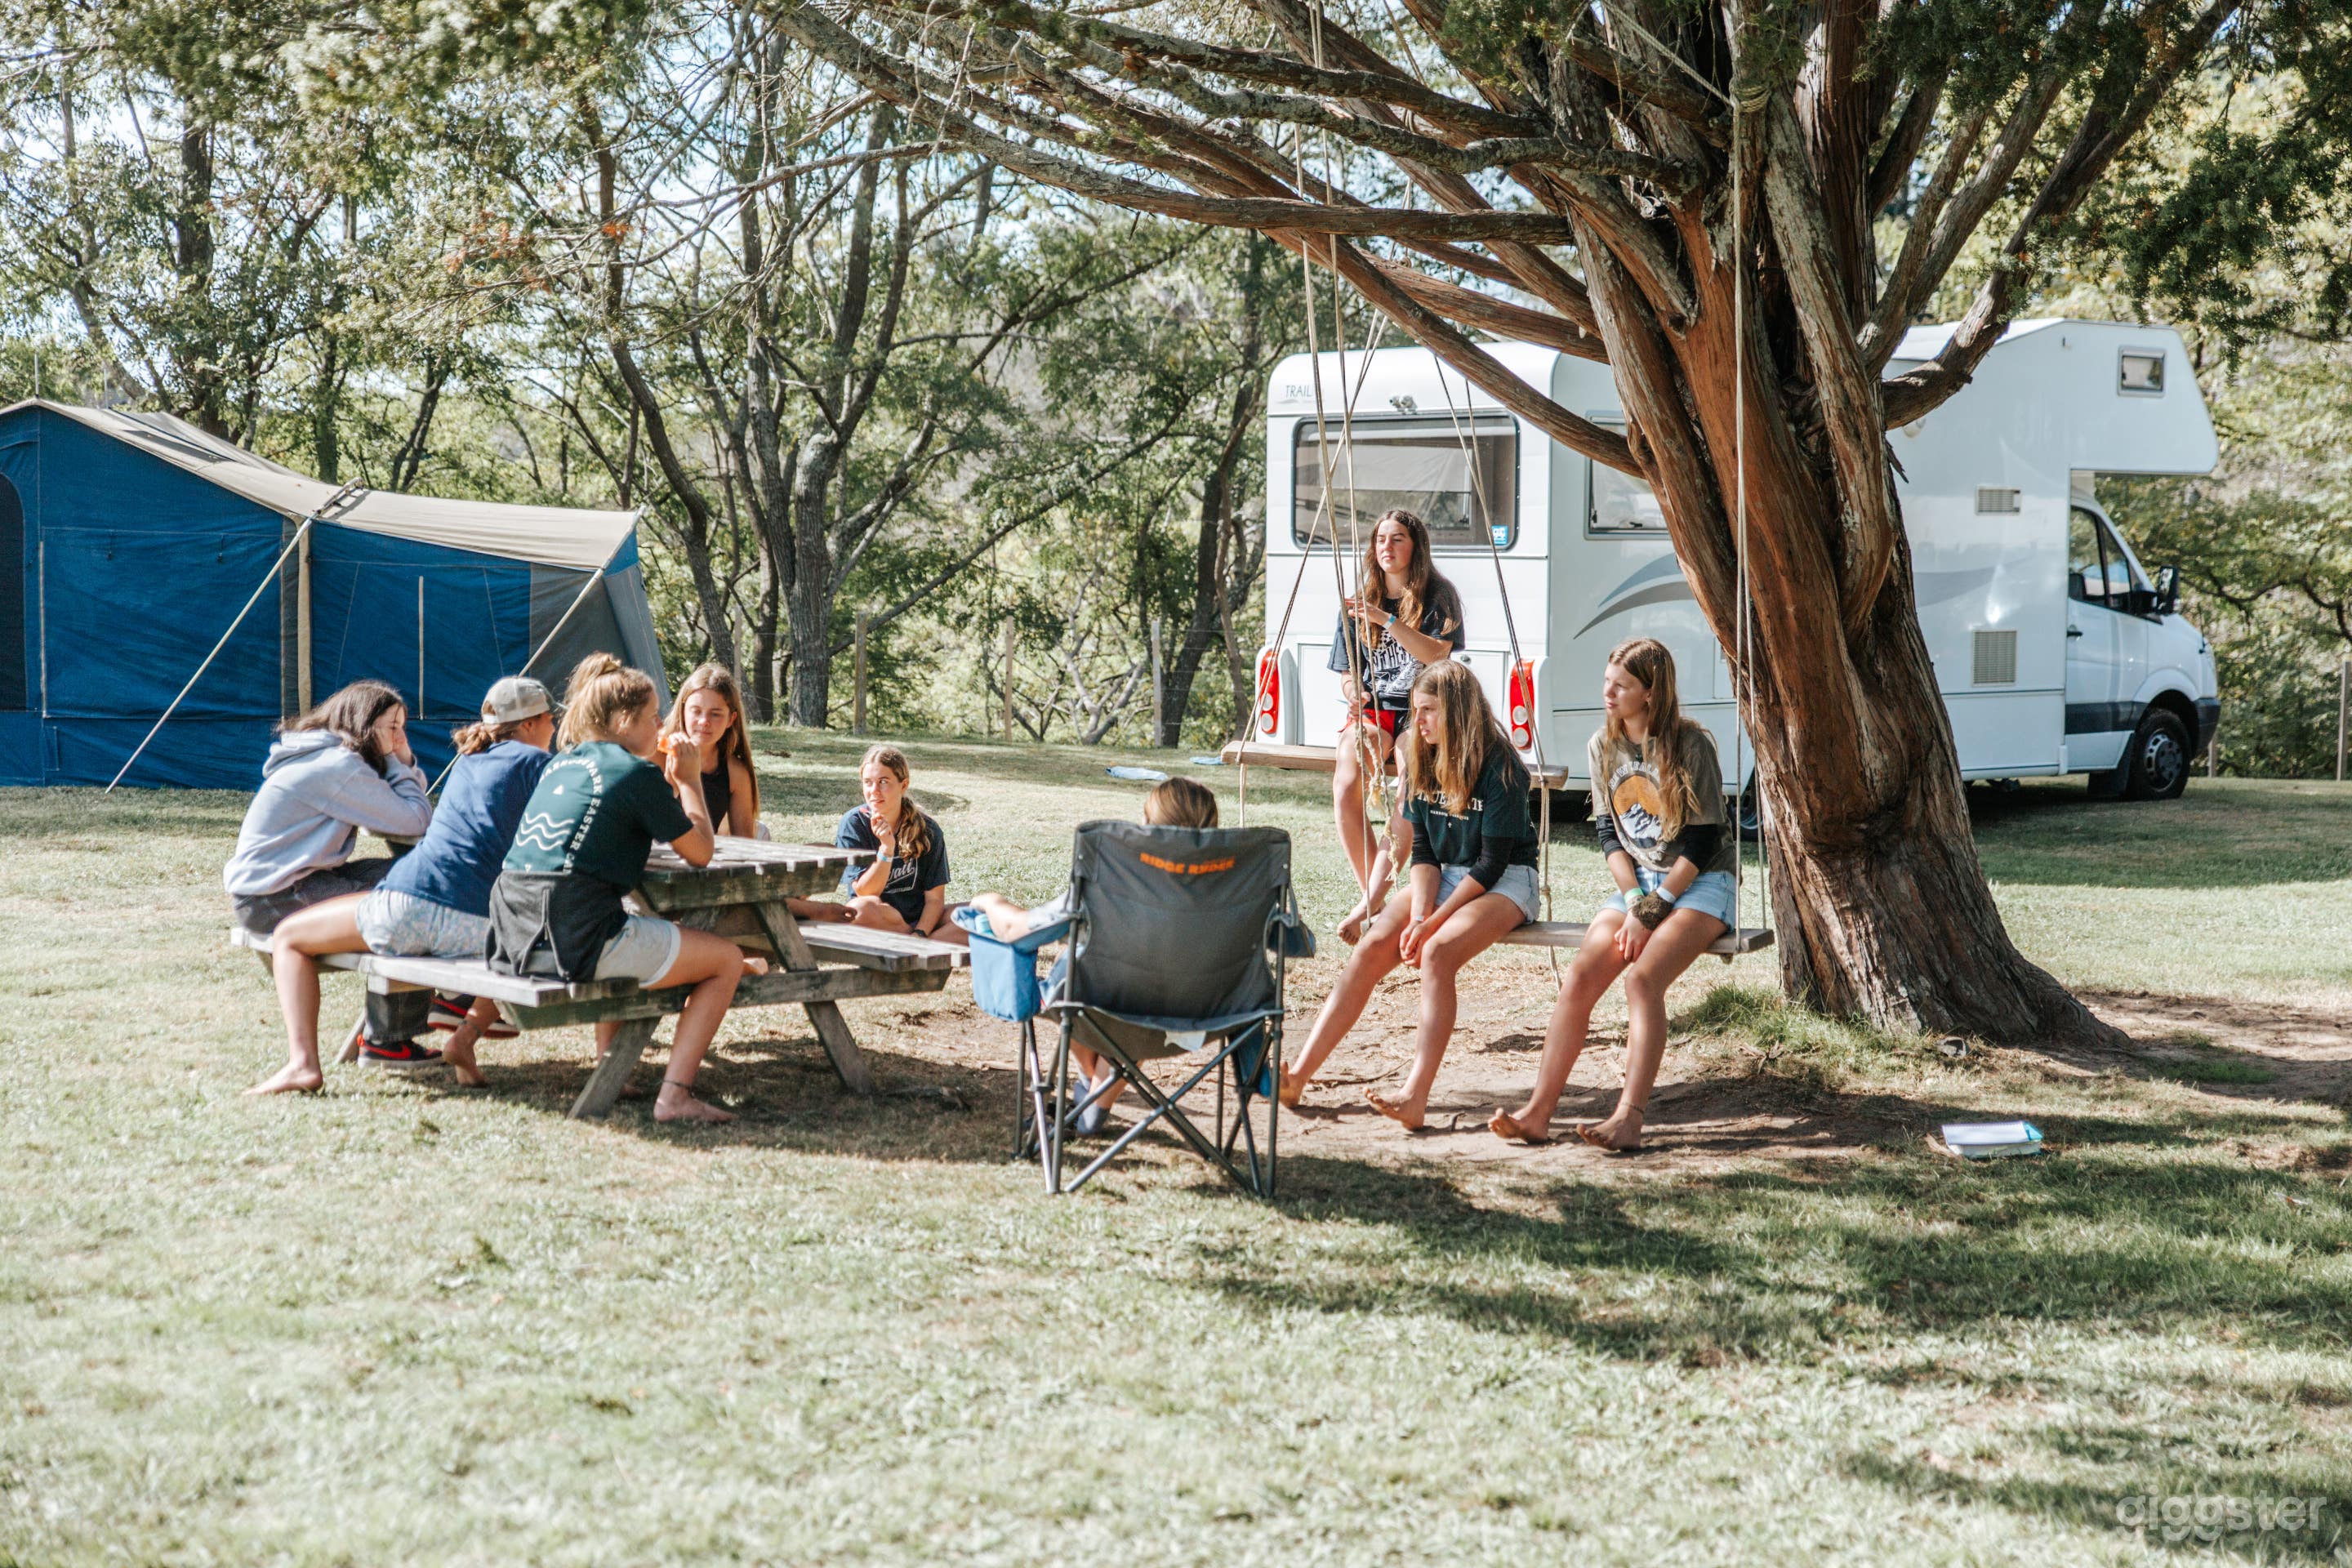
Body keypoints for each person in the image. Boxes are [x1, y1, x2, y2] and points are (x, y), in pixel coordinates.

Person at [1490, 637, 1736, 1152]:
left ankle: (1629, 1118)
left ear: (1651, 693)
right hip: (1642, 885)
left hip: (1700, 883)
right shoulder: (1602, 746)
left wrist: (1655, 908)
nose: (1609, 692)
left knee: (1643, 982)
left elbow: (1703, 841)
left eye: (1621, 685)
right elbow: (1609, 835)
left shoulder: (1692, 745)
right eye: (1607, 681)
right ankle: (1538, 1112)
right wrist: (1633, 903)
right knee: (1581, 976)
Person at [485, 654, 746, 1124]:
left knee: (641, 926)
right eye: (652, 717)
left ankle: (615, 1066)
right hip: (573, 939)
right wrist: (688, 783)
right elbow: (702, 852)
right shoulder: (635, 773)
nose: (660, 725)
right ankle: (675, 1097)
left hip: (513, 933)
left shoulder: (563, 763)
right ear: (624, 720)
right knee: (726, 959)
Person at [1278, 659, 1537, 1129]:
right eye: (1416, 710)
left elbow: (1492, 863)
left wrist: (1431, 925)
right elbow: (1422, 851)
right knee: (1375, 944)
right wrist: (1418, 913)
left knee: (1437, 953)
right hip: (1447, 874)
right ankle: (1297, 1075)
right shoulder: (1421, 756)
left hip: (1505, 880)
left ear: (1458, 711)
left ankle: (1414, 1096)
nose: (1417, 721)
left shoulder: (1500, 764)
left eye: (1428, 711)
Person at [964, 777, 1220, 1136]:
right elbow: (1295, 942)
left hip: (1101, 1011)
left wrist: (991, 901)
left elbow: (1019, 930)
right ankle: (1096, 1098)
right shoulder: (1233, 887)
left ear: (1147, 825)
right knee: (1150, 988)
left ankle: (1092, 1093)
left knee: (1077, 975)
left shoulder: (1112, 874)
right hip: (1195, 1016)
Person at [227, 680, 435, 1096]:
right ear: (364, 723)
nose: (398, 739)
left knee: (416, 882)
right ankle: (389, 1039)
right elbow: (415, 821)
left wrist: (396, 761)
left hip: (290, 884)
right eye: (391, 727)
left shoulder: (325, 755)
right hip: (277, 896)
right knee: (412, 901)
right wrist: (401, 762)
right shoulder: (340, 767)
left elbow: (393, 820)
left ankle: (390, 1038)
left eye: (403, 729)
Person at [1325, 508, 1466, 945]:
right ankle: (1377, 896)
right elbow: (1347, 671)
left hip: (1420, 709)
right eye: (1381, 539)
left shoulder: (1439, 595)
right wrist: (1353, 693)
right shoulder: (1358, 599)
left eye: (1398, 538)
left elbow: (1438, 656)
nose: (1387, 547)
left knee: (1409, 783)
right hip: (1374, 709)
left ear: (1415, 545)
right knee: (1346, 782)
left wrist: (1385, 620)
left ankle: (1368, 904)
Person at [789, 744, 969, 946]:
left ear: (904, 785)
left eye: (883, 782)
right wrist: (886, 850)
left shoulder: (928, 830)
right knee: (862, 908)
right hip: (878, 918)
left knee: (976, 914)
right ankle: (924, 944)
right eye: (868, 782)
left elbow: (935, 900)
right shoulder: (854, 823)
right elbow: (865, 892)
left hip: (922, 923)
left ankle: (916, 944)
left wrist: (920, 932)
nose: (874, 791)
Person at [657, 662, 761, 837]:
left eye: (715, 714)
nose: (704, 721)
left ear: (731, 719)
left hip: (705, 859)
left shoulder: (735, 773)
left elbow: (745, 843)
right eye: (696, 711)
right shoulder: (657, 754)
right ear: (683, 712)